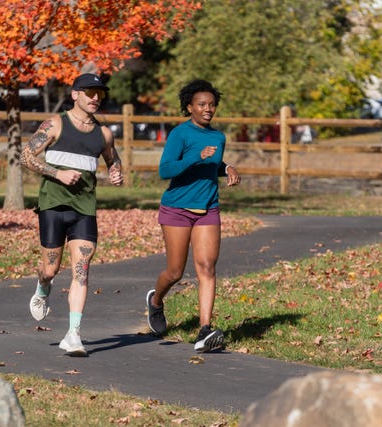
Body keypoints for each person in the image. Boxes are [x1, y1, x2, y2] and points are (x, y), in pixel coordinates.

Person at [20, 73, 123, 357]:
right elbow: (26, 156)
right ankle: (43, 287)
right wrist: (57, 174)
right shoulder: (55, 124)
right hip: (53, 205)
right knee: (51, 269)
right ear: (75, 94)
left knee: (81, 271)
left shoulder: (103, 133)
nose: (95, 98)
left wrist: (115, 171)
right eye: (89, 92)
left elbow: (112, 157)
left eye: (99, 93)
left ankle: (73, 335)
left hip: (84, 210)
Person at [145, 79, 241, 353]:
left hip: (208, 207)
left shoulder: (218, 137)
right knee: (175, 271)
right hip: (177, 208)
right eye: (201, 104)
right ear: (190, 107)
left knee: (207, 267)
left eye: (211, 104)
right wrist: (195, 157)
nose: (207, 109)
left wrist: (228, 168)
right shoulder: (180, 134)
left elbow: (213, 162)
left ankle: (205, 330)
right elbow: (165, 170)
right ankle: (156, 302)